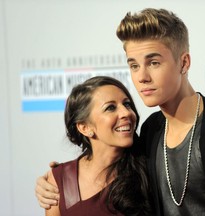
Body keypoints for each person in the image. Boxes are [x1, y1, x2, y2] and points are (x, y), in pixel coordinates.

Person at [35, 8, 205, 216]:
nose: (142, 77)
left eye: (153, 63)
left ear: (184, 62)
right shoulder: (150, 131)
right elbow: (102, 170)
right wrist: (54, 180)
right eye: (134, 66)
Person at [42, 76, 152, 216]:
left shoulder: (149, 166)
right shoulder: (59, 180)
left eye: (127, 104)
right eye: (110, 108)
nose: (126, 113)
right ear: (84, 127)